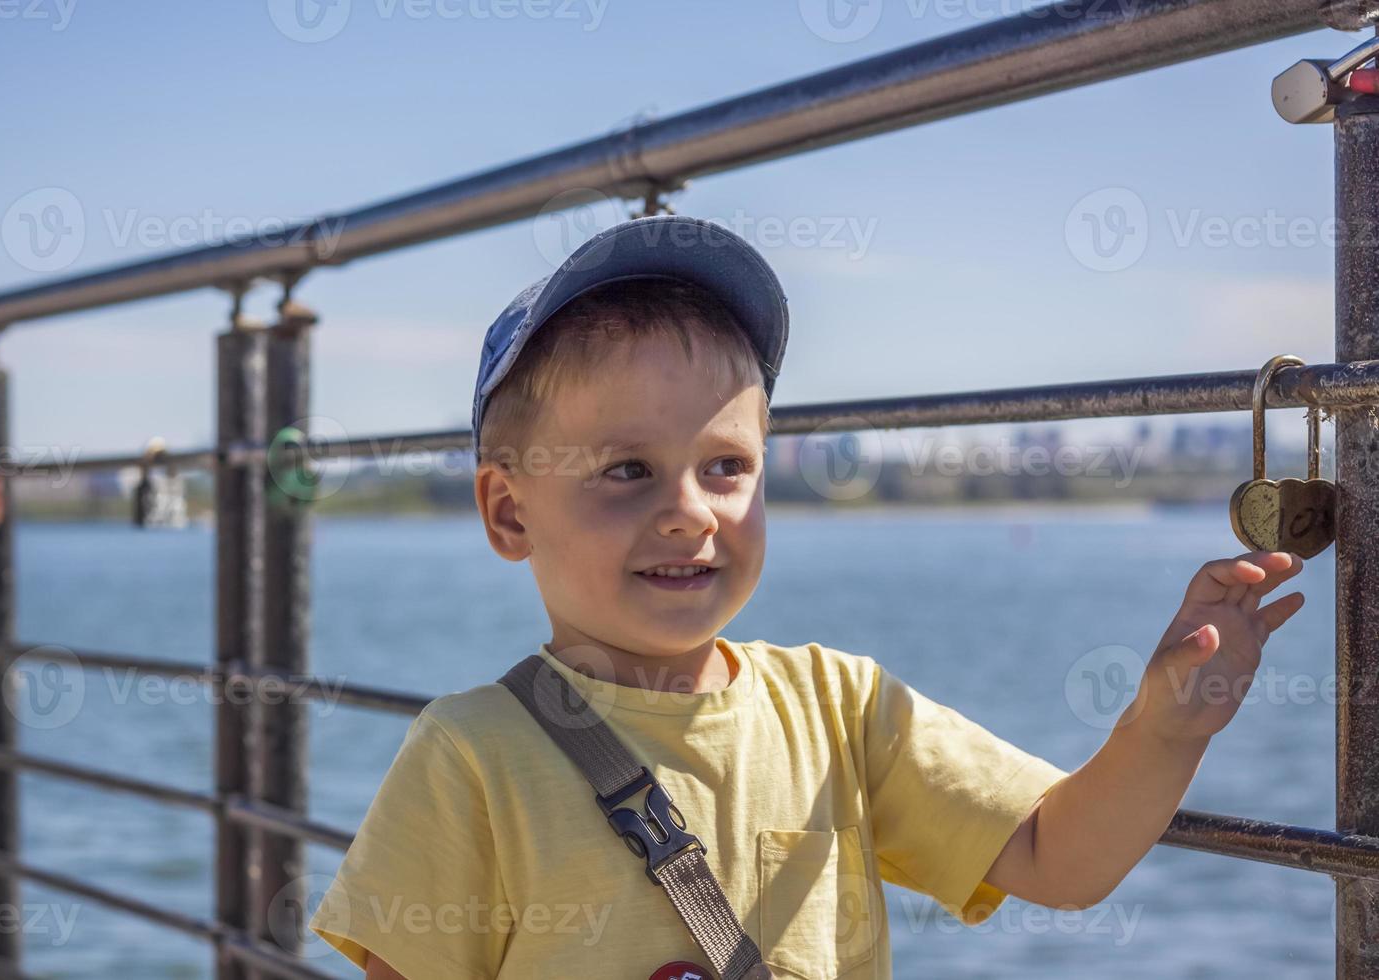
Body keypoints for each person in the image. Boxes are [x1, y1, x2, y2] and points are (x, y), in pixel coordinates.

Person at [307, 214, 1306, 979]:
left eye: (726, 465)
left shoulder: (840, 707)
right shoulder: (471, 752)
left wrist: (1168, 724)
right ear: (509, 512)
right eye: (625, 470)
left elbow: (1059, 855)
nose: (690, 511)